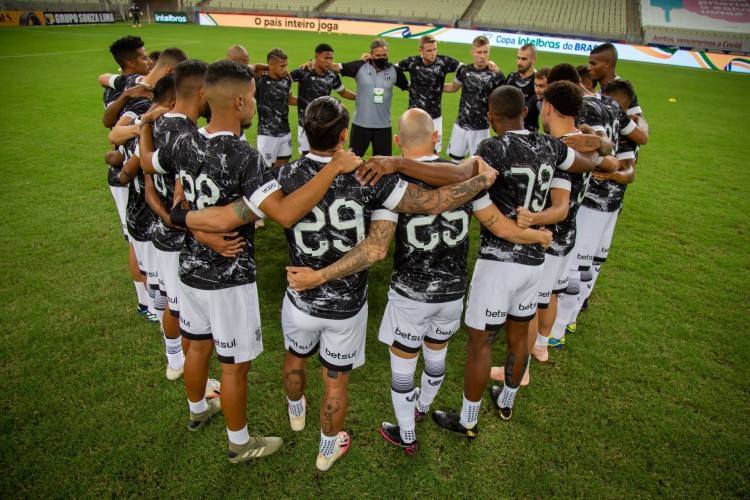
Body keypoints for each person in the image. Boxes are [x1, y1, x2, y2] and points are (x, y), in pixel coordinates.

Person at [286, 108, 550, 456]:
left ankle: (406, 434)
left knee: (402, 365)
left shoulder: (381, 180)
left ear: (397, 141)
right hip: (452, 291)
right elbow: (498, 225)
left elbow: (382, 239)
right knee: (436, 352)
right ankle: (423, 406)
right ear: (436, 137)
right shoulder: (463, 175)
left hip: (409, 293)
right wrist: (537, 236)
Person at [145, 61, 365, 464]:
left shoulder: (183, 142)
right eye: (255, 98)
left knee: (196, 348)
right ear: (243, 101)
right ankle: (240, 443)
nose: (257, 106)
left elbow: (146, 166)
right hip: (228, 279)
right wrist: (333, 167)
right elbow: (283, 213)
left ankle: (198, 411)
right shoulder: (246, 157)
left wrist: (186, 220)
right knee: (233, 367)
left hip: (189, 270)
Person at [432, 86, 595, 436]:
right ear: (526, 111)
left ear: (491, 116)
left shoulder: (492, 148)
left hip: (498, 262)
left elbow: (461, 176)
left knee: (481, 343)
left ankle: (468, 420)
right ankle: (506, 400)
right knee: (518, 337)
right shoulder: (550, 146)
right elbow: (586, 163)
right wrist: (595, 146)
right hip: (536, 262)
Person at [549, 79, 639, 346]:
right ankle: (570, 317)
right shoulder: (618, 120)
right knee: (591, 262)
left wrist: (610, 169)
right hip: (611, 204)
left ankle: (556, 332)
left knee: (576, 266)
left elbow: (609, 157)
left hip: (593, 203)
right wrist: (615, 169)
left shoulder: (592, 115)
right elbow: (626, 158)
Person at [335, 38, 409, 156]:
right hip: (360, 125)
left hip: (383, 127)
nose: (382, 58)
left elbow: (409, 87)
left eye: (384, 55)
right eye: (378, 55)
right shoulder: (360, 66)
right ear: (371, 55)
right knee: (353, 160)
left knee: (383, 165)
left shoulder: (395, 71)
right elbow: (334, 67)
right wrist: (313, 63)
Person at [443, 36, 506, 162]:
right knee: (455, 162)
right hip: (460, 126)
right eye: (479, 52)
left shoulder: (497, 75)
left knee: (479, 164)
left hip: (481, 128)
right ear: (472, 52)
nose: (482, 56)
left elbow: (502, 101)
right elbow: (453, 87)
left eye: (485, 52)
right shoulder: (464, 70)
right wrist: (430, 86)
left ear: (489, 51)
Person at [396, 35, 462, 153]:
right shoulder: (412, 62)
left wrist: (454, 86)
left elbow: (465, 69)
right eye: (429, 50)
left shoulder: (443, 62)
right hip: (414, 116)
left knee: (434, 151)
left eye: (435, 49)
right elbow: (392, 69)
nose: (433, 53)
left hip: (435, 116)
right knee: (409, 149)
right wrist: (406, 85)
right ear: (421, 50)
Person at [290, 43, 355, 156]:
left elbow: (343, 92)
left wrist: (361, 97)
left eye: (331, 58)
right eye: (326, 58)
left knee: (325, 155)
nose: (329, 61)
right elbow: (284, 78)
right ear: (317, 56)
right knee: (306, 156)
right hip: (305, 124)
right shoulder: (304, 71)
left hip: (326, 124)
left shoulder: (332, 75)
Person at [255, 48, 294, 167]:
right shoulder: (259, 81)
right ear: (271, 66)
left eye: (286, 65)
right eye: (281, 66)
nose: (285, 69)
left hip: (285, 133)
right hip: (267, 135)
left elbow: (289, 99)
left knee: (282, 171)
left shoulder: (287, 79)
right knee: (265, 173)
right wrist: (259, 66)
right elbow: (243, 68)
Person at [587, 43, 643, 117]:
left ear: (607, 64)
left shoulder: (621, 89)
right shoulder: (603, 89)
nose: (588, 68)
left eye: (593, 64)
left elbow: (642, 124)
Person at [523, 66, 549, 132]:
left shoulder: (561, 103)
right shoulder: (536, 100)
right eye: (536, 85)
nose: (537, 90)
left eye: (541, 86)